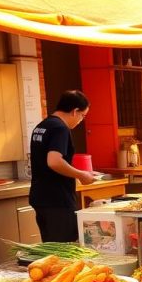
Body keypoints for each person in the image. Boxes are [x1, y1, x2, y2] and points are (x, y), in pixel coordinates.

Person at [29, 90, 94, 242]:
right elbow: (54, 161)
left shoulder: (42, 126)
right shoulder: (60, 128)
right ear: (74, 111)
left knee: (51, 249)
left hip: (41, 197)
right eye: (82, 116)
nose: (81, 121)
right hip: (58, 200)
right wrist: (81, 174)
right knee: (64, 249)